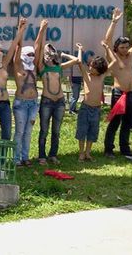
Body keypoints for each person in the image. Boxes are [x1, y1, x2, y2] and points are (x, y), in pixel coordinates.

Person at [36, 23, 80, 165]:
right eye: (46, 54)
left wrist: (66, 54)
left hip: (60, 102)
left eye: (50, 54)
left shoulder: (58, 67)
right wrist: (42, 30)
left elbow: (77, 60)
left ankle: (53, 155)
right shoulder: (42, 67)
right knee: (44, 130)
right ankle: (42, 156)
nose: (48, 56)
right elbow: (40, 47)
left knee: (56, 131)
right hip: (47, 102)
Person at [103, 7, 132, 158]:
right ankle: (108, 149)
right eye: (122, 47)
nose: (125, 50)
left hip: (131, 93)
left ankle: (125, 149)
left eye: (127, 47)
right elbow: (107, 40)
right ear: (116, 48)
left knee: (127, 123)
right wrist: (114, 22)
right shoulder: (113, 56)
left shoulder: (131, 55)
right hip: (118, 94)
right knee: (115, 123)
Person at [12, 18, 43, 166]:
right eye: (28, 54)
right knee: (19, 132)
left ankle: (25, 157)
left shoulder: (34, 67)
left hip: (33, 103)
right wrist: (21, 30)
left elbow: (37, 48)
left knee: (29, 132)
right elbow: (18, 49)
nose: (31, 57)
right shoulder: (18, 66)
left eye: (32, 55)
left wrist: (42, 29)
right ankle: (16, 158)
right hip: (21, 103)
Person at [74, 42, 111, 162]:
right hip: (85, 108)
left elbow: (111, 62)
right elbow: (79, 62)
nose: (90, 67)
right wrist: (80, 49)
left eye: (94, 67)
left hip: (96, 109)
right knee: (82, 130)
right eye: (91, 65)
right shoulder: (86, 75)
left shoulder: (101, 76)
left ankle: (88, 153)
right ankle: (81, 153)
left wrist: (106, 48)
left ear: (99, 70)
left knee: (92, 131)